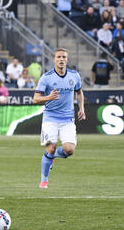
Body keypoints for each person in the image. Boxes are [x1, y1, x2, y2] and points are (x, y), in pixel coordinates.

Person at [33, 48, 85, 189]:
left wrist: (81, 108)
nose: (61, 59)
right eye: (58, 57)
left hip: (67, 119)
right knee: (50, 148)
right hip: (50, 118)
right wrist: (48, 97)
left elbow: (79, 93)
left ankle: (52, 157)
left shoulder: (74, 76)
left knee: (69, 150)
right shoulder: (47, 77)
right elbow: (35, 99)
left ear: (67, 60)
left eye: (64, 57)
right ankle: (44, 181)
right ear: (54, 60)